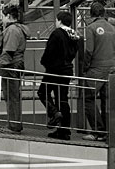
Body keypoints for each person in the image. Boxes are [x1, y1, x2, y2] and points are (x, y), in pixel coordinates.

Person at [82, 2, 115, 141]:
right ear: (104, 13)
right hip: (112, 69)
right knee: (108, 100)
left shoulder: (91, 28)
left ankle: (97, 130)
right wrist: (114, 58)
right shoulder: (113, 28)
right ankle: (109, 132)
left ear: (91, 14)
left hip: (96, 69)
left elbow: (89, 50)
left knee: (88, 98)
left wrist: (86, 66)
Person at [38, 11, 80, 140]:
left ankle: (55, 113)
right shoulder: (73, 35)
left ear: (59, 21)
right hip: (67, 70)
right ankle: (64, 131)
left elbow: (49, 52)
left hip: (54, 69)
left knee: (42, 92)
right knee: (62, 98)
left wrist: (44, 62)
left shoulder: (57, 34)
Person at [0, 4, 30, 134]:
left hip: (10, 67)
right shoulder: (18, 29)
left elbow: (9, 51)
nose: (1, 19)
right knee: (13, 96)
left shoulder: (12, 30)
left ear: (8, 16)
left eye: (2, 16)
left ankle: (13, 125)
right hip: (14, 65)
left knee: (11, 97)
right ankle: (14, 124)